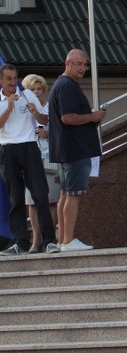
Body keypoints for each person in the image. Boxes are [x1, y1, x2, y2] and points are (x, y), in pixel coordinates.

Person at [48, 49, 105, 252]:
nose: (82, 68)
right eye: (78, 64)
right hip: (75, 149)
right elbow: (68, 117)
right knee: (73, 194)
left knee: (65, 194)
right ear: (67, 63)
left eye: (85, 65)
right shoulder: (67, 86)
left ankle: (64, 239)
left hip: (67, 149)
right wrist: (93, 117)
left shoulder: (61, 84)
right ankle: (68, 240)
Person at [0, 65, 58, 255]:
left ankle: (50, 241)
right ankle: (20, 243)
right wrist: (9, 106)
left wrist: (36, 113)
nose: (12, 82)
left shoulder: (28, 95)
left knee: (41, 195)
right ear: (1, 81)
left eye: (15, 78)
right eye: (8, 78)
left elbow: (46, 119)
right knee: (15, 198)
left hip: (29, 147)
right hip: (8, 149)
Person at [21, 74, 60, 252]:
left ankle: (49, 240)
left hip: (50, 160)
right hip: (29, 159)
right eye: (32, 89)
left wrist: (48, 134)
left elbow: (62, 132)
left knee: (51, 201)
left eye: (39, 89)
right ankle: (36, 241)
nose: (36, 92)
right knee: (32, 202)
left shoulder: (51, 108)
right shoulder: (23, 109)